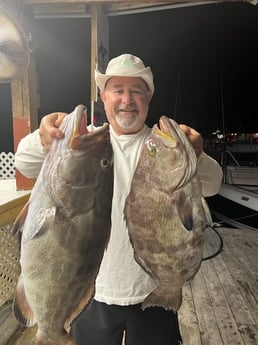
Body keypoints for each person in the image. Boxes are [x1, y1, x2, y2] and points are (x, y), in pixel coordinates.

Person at [15, 53, 223, 345]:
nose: (127, 99)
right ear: (104, 96)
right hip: (91, 290)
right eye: (118, 90)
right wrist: (42, 137)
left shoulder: (165, 146)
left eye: (136, 91)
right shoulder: (88, 145)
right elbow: (24, 162)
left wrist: (196, 155)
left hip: (151, 290)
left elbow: (213, 184)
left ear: (148, 97)